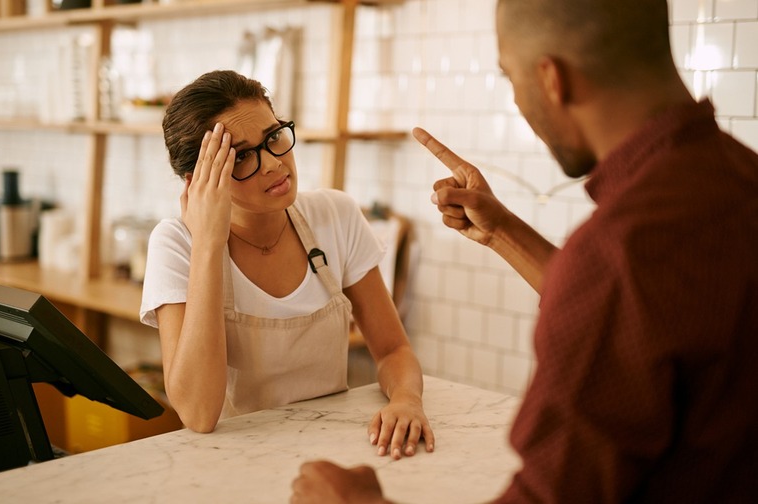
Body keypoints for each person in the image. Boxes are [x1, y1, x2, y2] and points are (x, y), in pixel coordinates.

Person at [290, 0, 758, 502]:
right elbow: (654, 309)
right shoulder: (738, 176)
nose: (517, 100)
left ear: (552, 79)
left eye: (511, 78)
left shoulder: (619, 254)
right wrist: (501, 230)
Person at [140, 70, 435, 461]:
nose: (273, 164)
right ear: (199, 181)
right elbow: (197, 413)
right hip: (225, 466)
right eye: (242, 156)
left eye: (274, 137)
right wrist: (209, 244)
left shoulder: (336, 215)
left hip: (327, 456)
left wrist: (407, 399)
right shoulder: (176, 244)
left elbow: (393, 349)